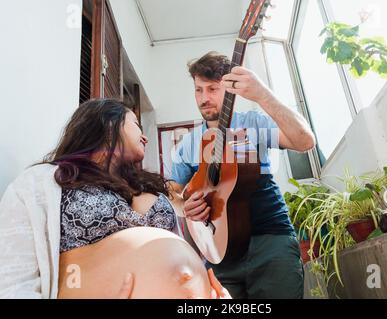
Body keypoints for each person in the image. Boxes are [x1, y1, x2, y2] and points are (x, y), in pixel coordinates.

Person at [0, 98, 229, 299]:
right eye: (137, 125)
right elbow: (14, 280)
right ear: (109, 125)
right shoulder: (41, 183)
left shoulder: (148, 186)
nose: (145, 137)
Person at [171, 52, 316, 299]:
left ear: (229, 89)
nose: (204, 98)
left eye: (213, 89)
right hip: (219, 255)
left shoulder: (253, 124)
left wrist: (262, 94)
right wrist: (184, 205)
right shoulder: (187, 144)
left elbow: (304, 141)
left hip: (270, 242)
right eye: (198, 90)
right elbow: (172, 191)